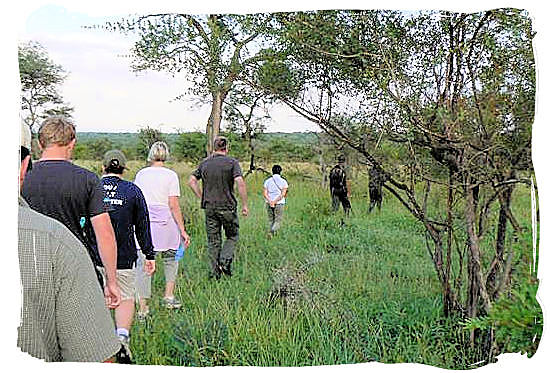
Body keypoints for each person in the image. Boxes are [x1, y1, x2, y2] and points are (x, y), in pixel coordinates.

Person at [18, 122, 122, 362]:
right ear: (72, 144)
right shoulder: (87, 179)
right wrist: (112, 281)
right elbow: (104, 233)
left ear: (40, 144)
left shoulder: (27, 176)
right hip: (74, 274)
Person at [99, 149, 156, 352]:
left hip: (95, 258)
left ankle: (101, 341)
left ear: (102, 167)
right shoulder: (132, 191)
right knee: (125, 296)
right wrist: (149, 254)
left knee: (100, 297)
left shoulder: (92, 188)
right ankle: (122, 338)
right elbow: (143, 225)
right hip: (124, 257)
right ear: (123, 169)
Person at [134, 141, 191, 314]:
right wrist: (182, 230)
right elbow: (173, 204)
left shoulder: (141, 174)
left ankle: (143, 307)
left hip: (145, 222)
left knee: (143, 263)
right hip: (166, 222)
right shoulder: (170, 175)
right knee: (171, 259)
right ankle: (168, 296)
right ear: (166, 155)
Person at [188, 136, 249, 280]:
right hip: (227, 206)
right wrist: (245, 204)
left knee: (213, 241)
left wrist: (201, 196)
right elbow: (240, 182)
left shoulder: (205, 163)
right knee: (232, 235)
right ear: (226, 148)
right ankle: (224, 261)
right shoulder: (232, 162)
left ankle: (215, 273)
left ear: (213, 148)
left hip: (209, 207)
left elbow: (191, 181)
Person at [263, 164, 289, 237]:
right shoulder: (284, 181)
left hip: (268, 202)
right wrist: (275, 202)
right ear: (280, 171)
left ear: (272, 171)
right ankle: (272, 233)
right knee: (278, 220)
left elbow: (265, 193)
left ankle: (271, 234)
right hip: (279, 203)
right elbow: (283, 194)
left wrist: (270, 201)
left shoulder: (267, 181)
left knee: (271, 219)